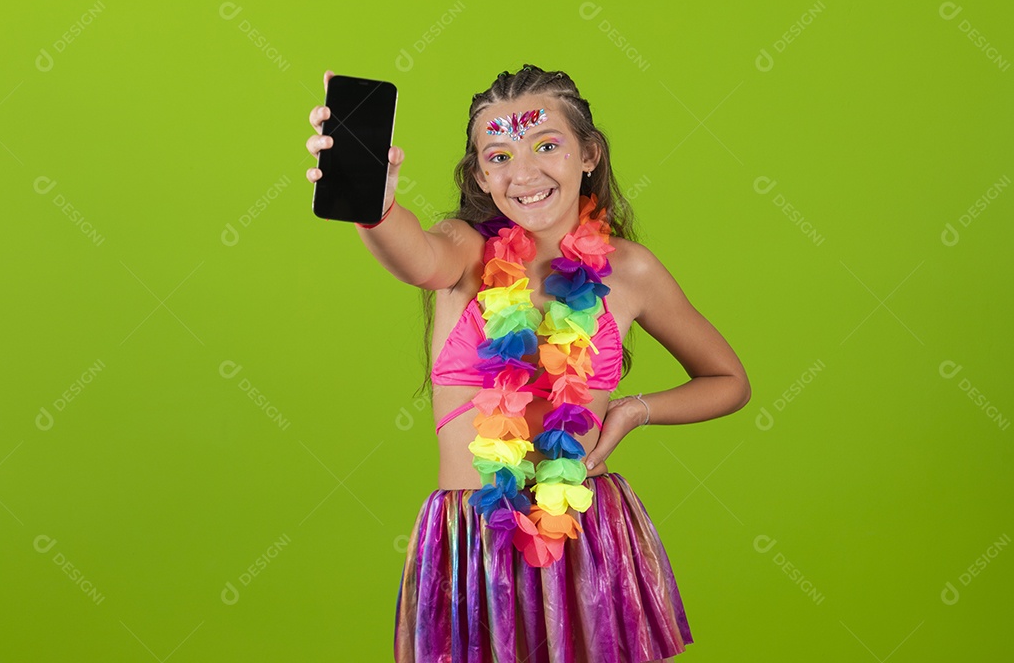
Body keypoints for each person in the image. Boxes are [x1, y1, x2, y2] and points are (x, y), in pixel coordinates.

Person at [305, 63, 751, 663]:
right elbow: (417, 258)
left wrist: (632, 412)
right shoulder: (465, 253)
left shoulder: (630, 270)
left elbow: (728, 382)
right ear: (481, 177)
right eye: (498, 156)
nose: (524, 172)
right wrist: (376, 209)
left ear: (588, 154)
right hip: (474, 542)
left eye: (547, 145)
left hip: (585, 538)